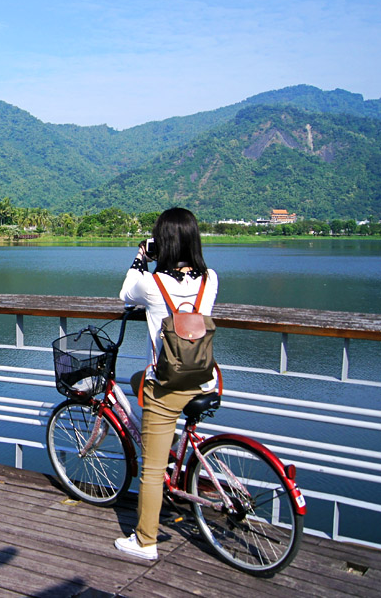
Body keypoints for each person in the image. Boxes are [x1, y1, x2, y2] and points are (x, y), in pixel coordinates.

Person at [114, 207, 219, 561]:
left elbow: (124, 295)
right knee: (136, 381)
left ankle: (145, 541)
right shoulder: (211, 279)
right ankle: (174, 439)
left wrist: (141, 257)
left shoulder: (152, 283)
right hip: (204, 380)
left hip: (168, 387)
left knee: (152, 470)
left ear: (164, 242)